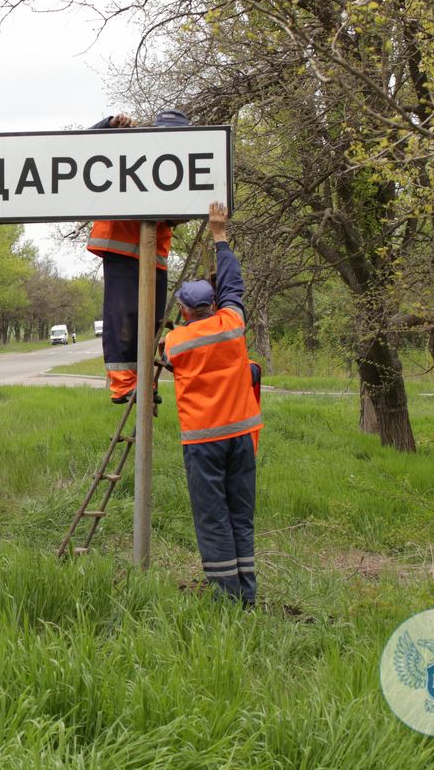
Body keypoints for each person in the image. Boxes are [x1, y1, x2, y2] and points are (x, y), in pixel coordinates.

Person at [162, 201, 263, 605]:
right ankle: (248, 594)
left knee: (213, 519)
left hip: (203, 442)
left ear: (185, 311)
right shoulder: (232, 325)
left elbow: (169, 360)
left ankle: (225, 597)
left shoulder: (176, 342)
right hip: (241, 436)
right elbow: (234, 287)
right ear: (214, 304)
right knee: (241, 517)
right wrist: (220, 237)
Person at [86, 109, 189, 403]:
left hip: (154, 252)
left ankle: (145, 384)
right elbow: (81, 146)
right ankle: (123, 385)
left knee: (152, 323)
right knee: (123, 320)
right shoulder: (129, 148)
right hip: (120, 246)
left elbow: (176, 215)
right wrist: (108, 125)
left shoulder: (181, 164)